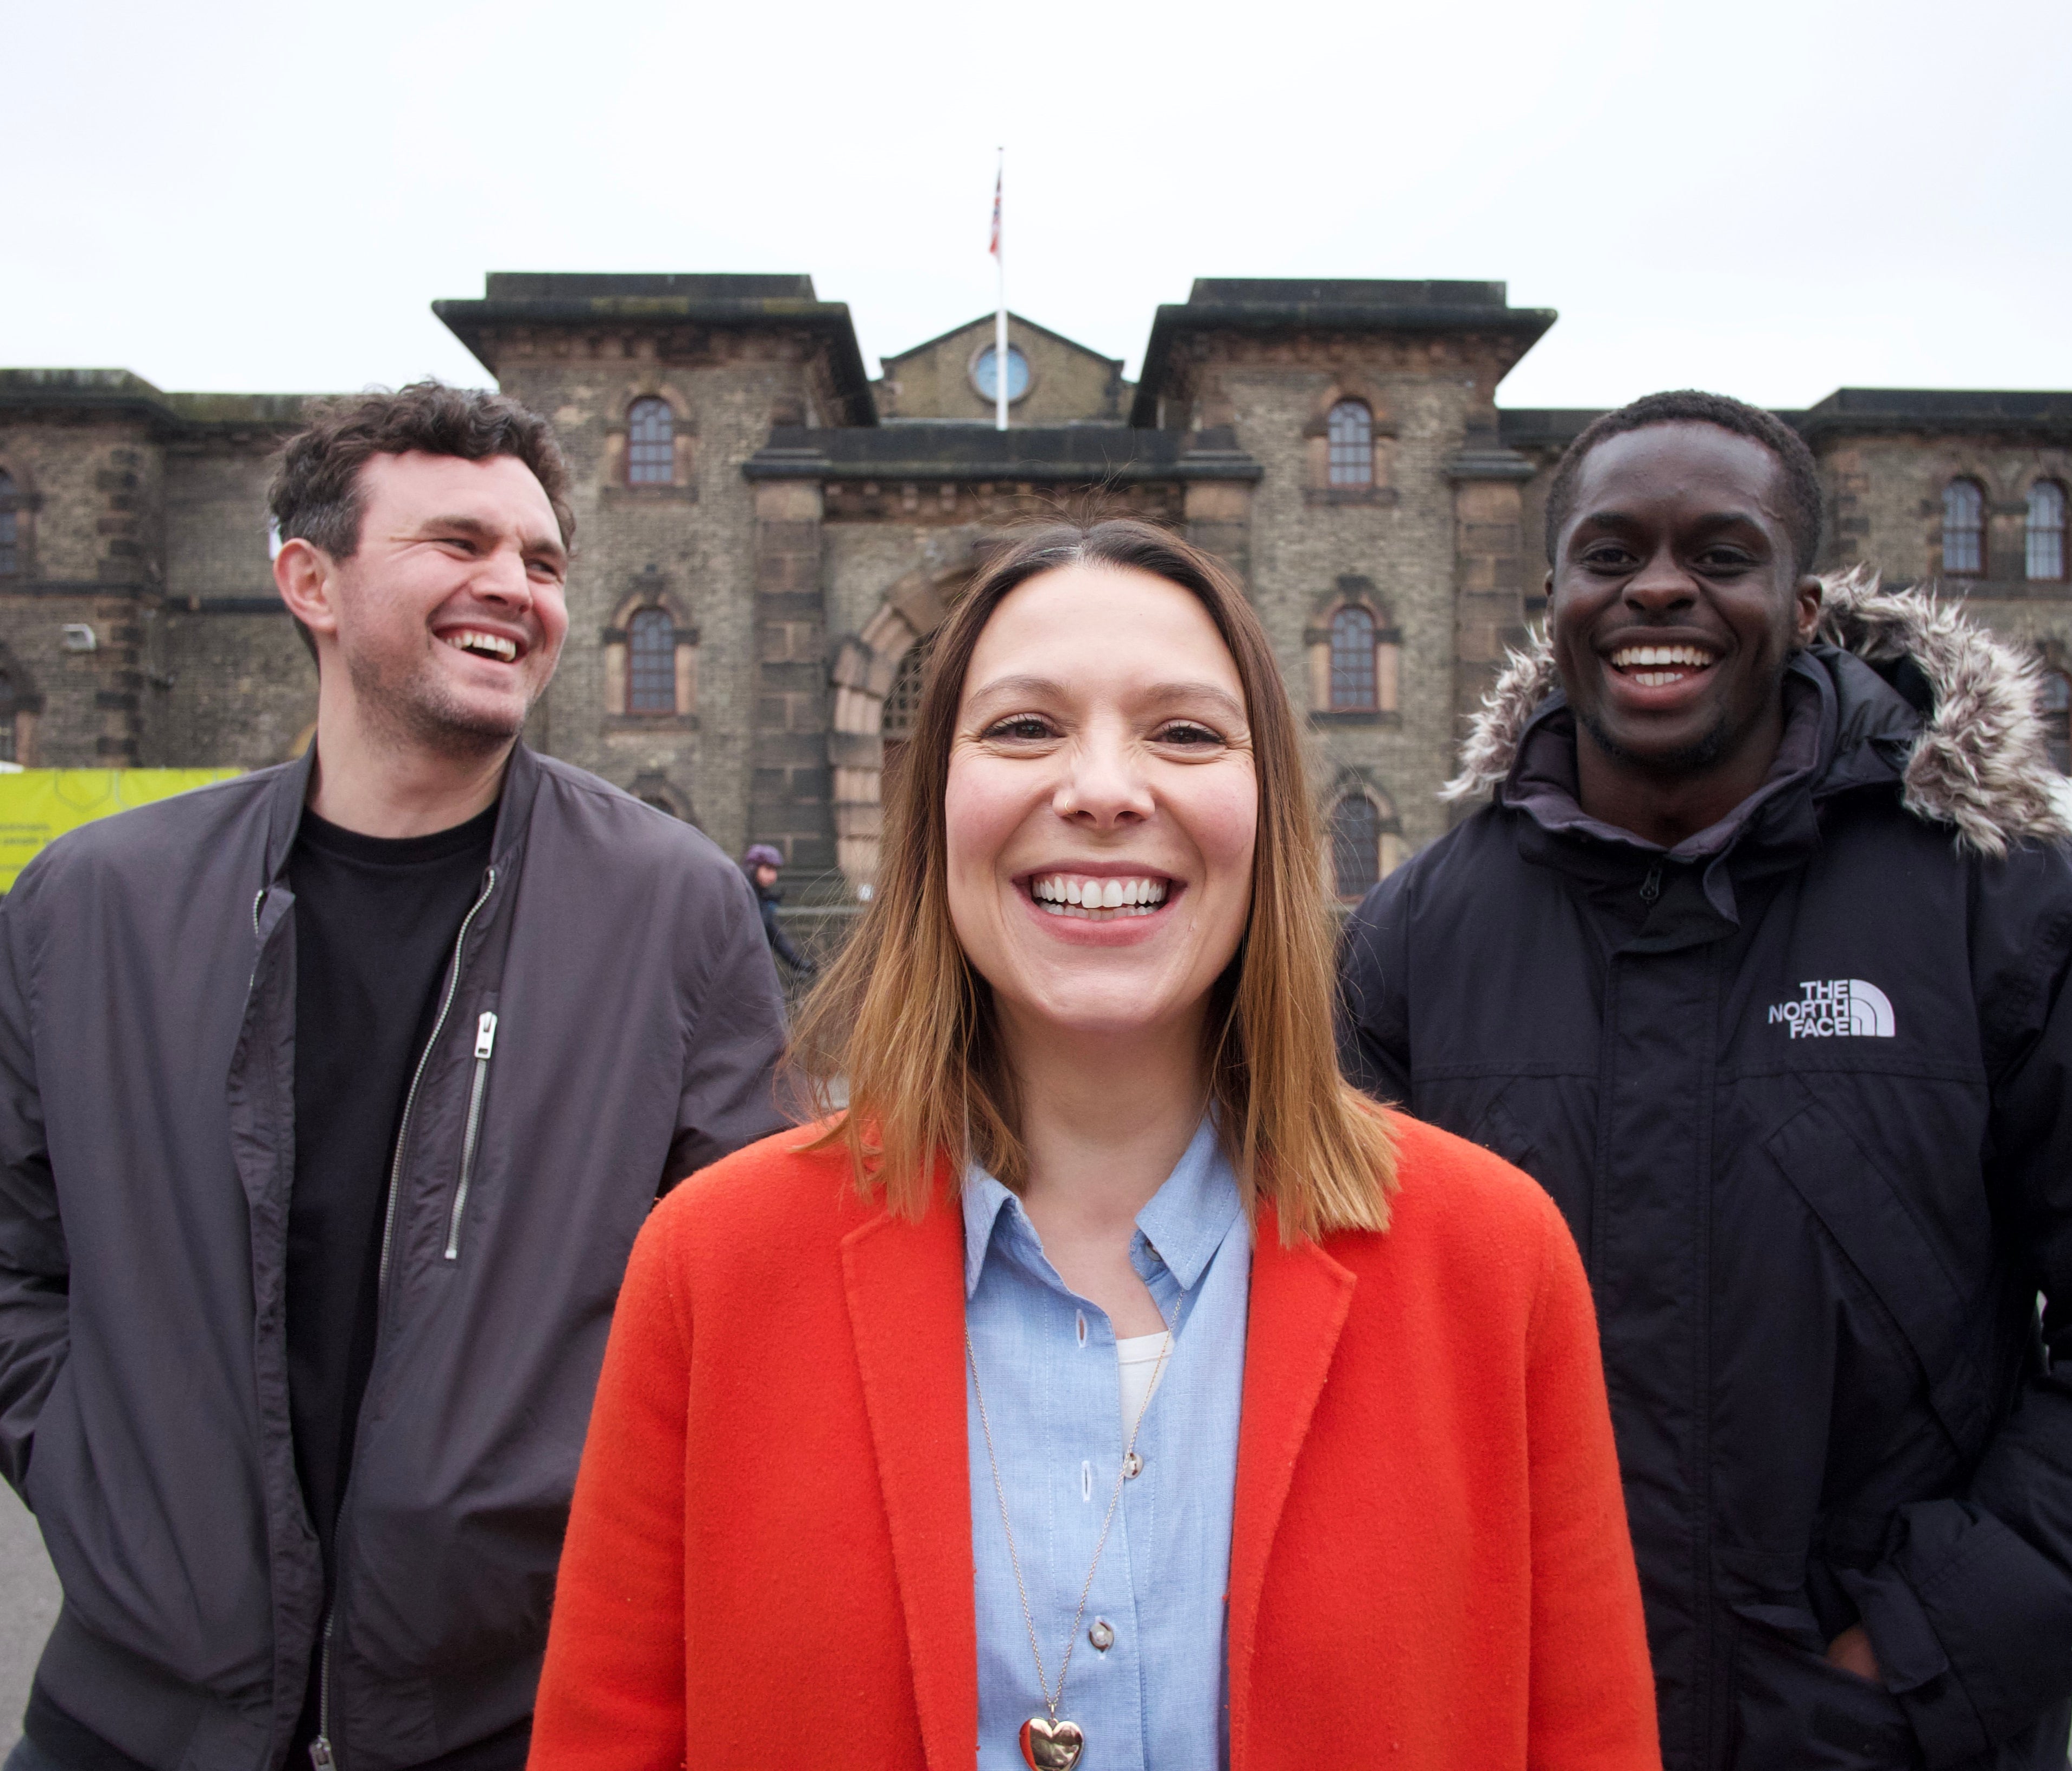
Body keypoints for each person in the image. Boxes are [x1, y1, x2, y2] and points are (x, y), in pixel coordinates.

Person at [525, 518, 1661, 1770]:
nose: (1104, 787)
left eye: (1183, 731)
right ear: (932, 807)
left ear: (1268, 806)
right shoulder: (714, 1264)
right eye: (1023, 727)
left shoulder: (1491, 1260)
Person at [1339, 390, 2072, 1771]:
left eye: (1720, 555)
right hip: (1527, 1722)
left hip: (1876, 1732)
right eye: (1611, 555)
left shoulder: (2011, 909)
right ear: (1557, 598)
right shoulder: (1421, 932)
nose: (1661, 586)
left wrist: (1927, 1647)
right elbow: (1337, 1339)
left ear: (1807, 602)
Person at [0, 383, 790, 1771]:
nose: (516, 586)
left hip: (510, 1716)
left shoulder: (672, 908)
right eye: (458, 543)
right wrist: (97, 1468)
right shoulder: (95, 904)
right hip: (136, 1720)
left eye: (544, 562)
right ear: (309, 580)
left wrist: (561, 1513)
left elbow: (750, 1285)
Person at [740, 842, 813, 976]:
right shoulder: (741, 894)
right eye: (768, 869)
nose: (773, 876)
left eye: (775, 870)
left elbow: (774, 935)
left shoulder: (762, 896)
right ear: (753, 868)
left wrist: (797, 963)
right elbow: (752, 931)